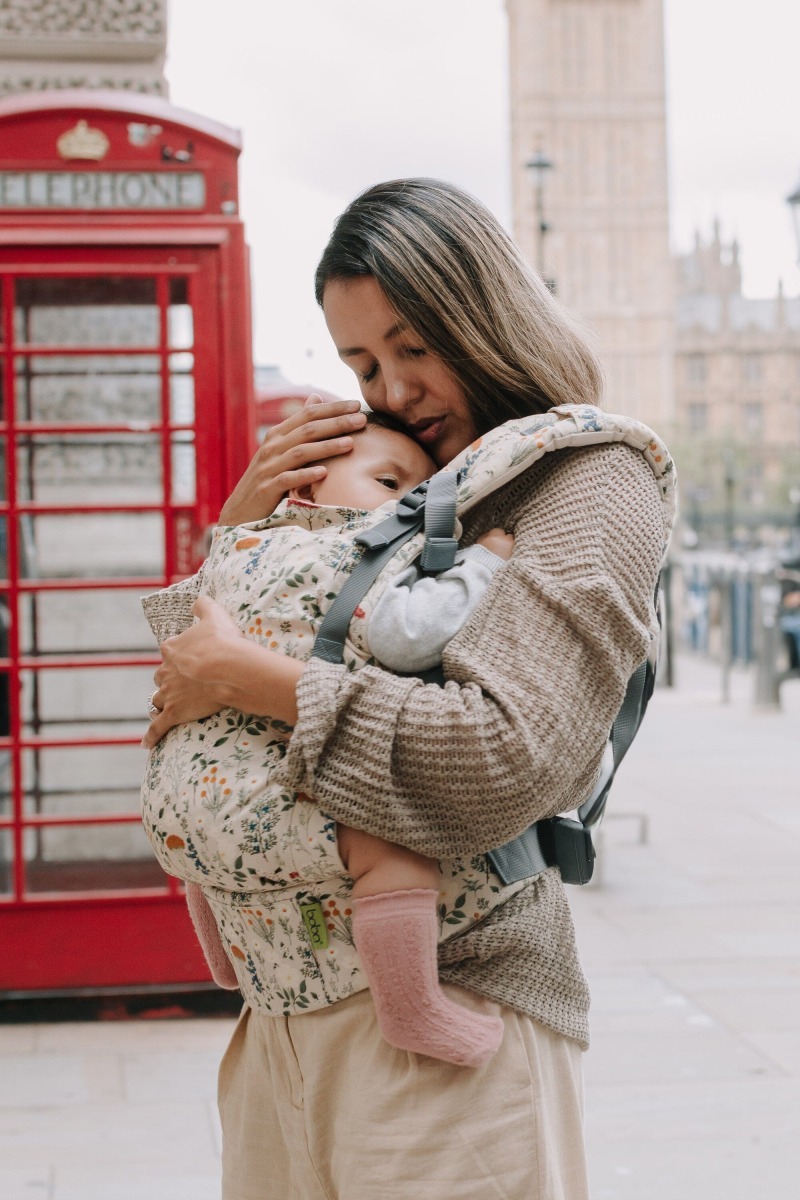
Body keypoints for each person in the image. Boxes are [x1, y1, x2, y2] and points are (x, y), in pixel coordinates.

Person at [144, 178, 672, 1200]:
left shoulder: (581, 479)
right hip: (276, 1018)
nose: (393, 389)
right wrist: (242, 534)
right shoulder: (373, 483)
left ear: (481, 313)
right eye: (361, 364)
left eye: (411, 346)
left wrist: (252, 677)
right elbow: (189, 725)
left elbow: (498, 759)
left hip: (454, 1022)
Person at [143, 411, 515, 1068]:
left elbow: (180, 628)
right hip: (265, 790)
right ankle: (412, 1009)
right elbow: (413, 633)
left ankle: (231, 963)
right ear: (306, 493)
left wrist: (230, 530)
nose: (411, 504)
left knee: (200, 839)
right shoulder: (355, 558)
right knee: (395, 845)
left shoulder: (239, 550)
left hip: (179, 798)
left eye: (423, 490)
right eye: (389, 480)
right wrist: (484, 560)